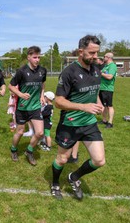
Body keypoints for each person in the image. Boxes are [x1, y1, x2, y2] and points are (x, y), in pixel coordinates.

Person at [50, 35, 105, 200]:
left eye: (97, 53)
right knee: (62, 158)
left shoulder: (96, 70)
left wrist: (99, 104)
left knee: (99, 160)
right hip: (70, 123)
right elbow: (58, 101)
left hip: (89, 123)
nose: (96, 57)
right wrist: (83, 107)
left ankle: (73, 177)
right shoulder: (69, 72)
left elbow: (94, 91)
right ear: (81, 51)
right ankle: (54, 183)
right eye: (92, 53)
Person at [9, 46, 47, 166]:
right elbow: (11, 86)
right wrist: (20, 94)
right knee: (19, 132)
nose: (37, 60)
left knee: (40, 133)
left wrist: (42, 95)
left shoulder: (42, 70)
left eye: (39, 57)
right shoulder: (21, 71)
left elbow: (42, 83)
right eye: (35, 57)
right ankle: (14, 150)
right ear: (28, 57)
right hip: (22, 107)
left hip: (35, 107)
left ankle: (29, 151)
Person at [99, 52, 117, 128]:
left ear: (109, 57)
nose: (103, 58)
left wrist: (101, 74)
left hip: (108, 89)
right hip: (102, 88)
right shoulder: (105, 66)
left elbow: (110, 76)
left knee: (109, 106)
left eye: (104, 56)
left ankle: (110, 123)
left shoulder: (112, 66)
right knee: (104, 106)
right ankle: (104, 120)